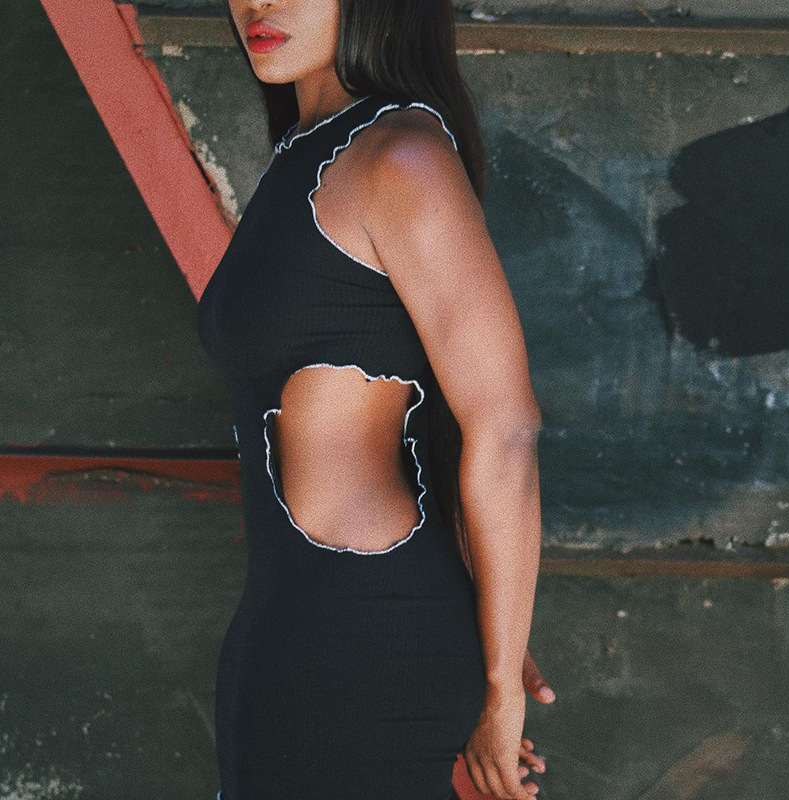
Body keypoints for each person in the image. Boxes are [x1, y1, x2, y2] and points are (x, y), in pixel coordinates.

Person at [197, 0, 554, 798]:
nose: (259, 1)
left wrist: (501, 685)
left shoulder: (401, 159)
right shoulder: (307, 152)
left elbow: (504, 427)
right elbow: (427, 423)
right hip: (287, 639)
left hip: (370, 647)